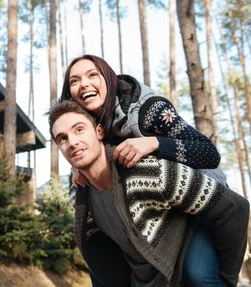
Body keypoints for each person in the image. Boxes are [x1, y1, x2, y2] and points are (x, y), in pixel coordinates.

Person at [60, 55, 227, 286]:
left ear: (108, 78)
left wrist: (156, 143)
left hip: (201, 196)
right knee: (100, 270)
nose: (84, 84)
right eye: (74, 81)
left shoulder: (150, 110)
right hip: (158, 208)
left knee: (197, 274)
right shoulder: (90, 122)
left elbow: (209, 153)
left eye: (92, 75)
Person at [48, 100, 249, 287]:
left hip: (180, 270)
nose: (72, 142)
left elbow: (235, 208)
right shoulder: (79, 196)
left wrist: (227, 280)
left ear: (99, 131)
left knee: (200, 276)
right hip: (142, 280)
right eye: (62, 139)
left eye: (79, 130)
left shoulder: (149, 171)